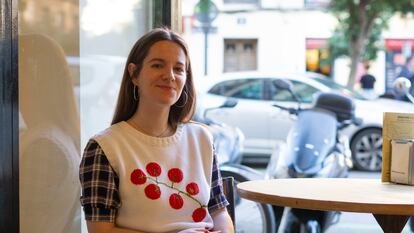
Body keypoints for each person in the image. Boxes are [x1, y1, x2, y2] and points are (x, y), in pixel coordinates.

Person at [79, 27, 234, 233]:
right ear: (134, 74)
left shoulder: (202, 138)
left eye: (179, 69)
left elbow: (219, 212)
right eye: (157, 65)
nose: (169, 76)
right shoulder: (104, 148)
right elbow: (100, 231)